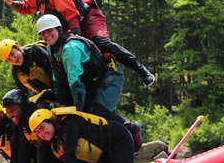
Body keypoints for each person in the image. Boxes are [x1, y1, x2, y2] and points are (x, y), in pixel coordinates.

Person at [1, 0, 155, 86]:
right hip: (72, 24)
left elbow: (70, 13)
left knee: (100, 43)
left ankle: (140, 69)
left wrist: (76, 37)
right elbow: (26, 7)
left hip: (88, 20)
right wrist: (11, 2)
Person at [36, 13, 144, 152]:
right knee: (89, 111)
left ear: (59, 29)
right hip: (93, 81)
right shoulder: (51, 49)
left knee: (99, 111)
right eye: (43, 33)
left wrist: (79, 113)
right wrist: (59, 103)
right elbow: (58, 79)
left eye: (49, 31)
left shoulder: (70, 48)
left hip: (110, 75)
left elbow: (75, 82)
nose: (46, 35)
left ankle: (132, 128)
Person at [27, 107, 174, 163]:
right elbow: (44, 158)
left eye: (42, 128)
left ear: (51, 121)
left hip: (118, 139)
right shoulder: (54, 138)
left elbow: (70, 155)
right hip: (104, 153)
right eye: (38, 132)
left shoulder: (68, 125)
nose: (42, 133)